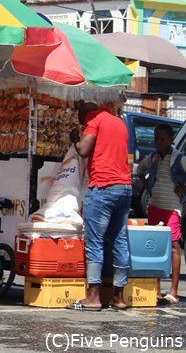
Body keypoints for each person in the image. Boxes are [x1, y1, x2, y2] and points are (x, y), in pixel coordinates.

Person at [67, 101, 132, 311]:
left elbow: (84, 150)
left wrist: (75, 139)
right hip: (124, 188)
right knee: (119, 240)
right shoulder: (119, 122)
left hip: (102, 187)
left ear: (85, 116)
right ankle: (119, 296)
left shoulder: (94, 120)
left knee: (94, 242)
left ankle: (93, 297)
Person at [136, 123, 186, 304]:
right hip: (155, 207)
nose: (158, 142)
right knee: (156, 248)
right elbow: (140, 170)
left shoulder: (179, 158)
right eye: (156, 139)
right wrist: (147, 185)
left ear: (170, 140)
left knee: (174, 247)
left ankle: (173, 290)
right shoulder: (154, 158)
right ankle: (156, 289)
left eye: (162, 139)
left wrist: (184, 188)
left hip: (172, 209)